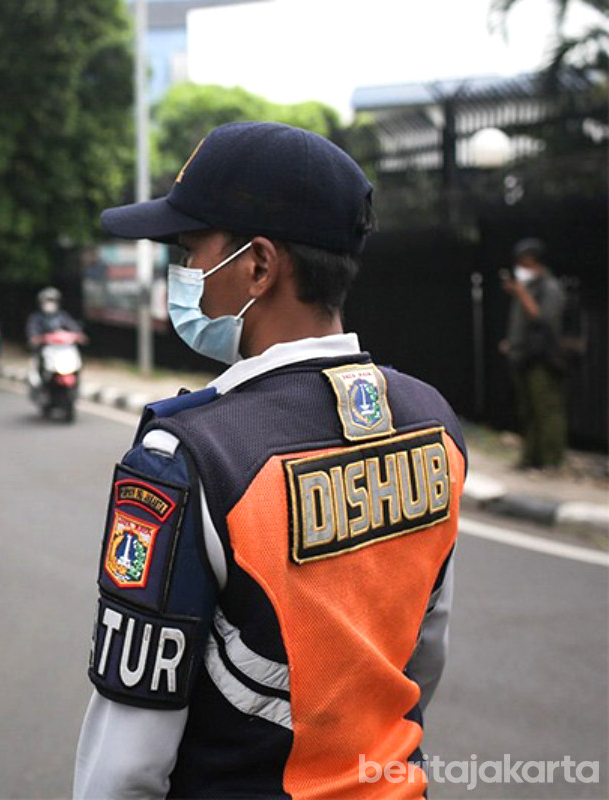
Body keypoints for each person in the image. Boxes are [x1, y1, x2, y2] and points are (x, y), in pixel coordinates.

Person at [73, 122, 467, 798]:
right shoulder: (434, 424)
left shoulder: (188, 459)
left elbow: (125, 766)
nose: (182, 274)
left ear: (258, 266)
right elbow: (420, 658)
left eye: (190, 250)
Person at [498, 238, 568, 469]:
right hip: (524, 357)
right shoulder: (527, 288)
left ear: (534, 261)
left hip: (543, 359)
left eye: (524, 262)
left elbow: (543, 319)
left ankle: (552, 460)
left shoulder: (550, 287)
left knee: (546, 409)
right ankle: (531, 458)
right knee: (528, 410)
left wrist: (521, 293)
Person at [26, 287, 84, 387]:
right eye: (47, 301)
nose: (50, 304)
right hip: (45, 348)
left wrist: (79, 336)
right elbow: (32, 332)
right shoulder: (36, 317)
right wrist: (38, 338)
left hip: (62, 349)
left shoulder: (62, 316)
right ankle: (40, 382)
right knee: (38, 361)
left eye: (52, 301)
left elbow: (74, 327)